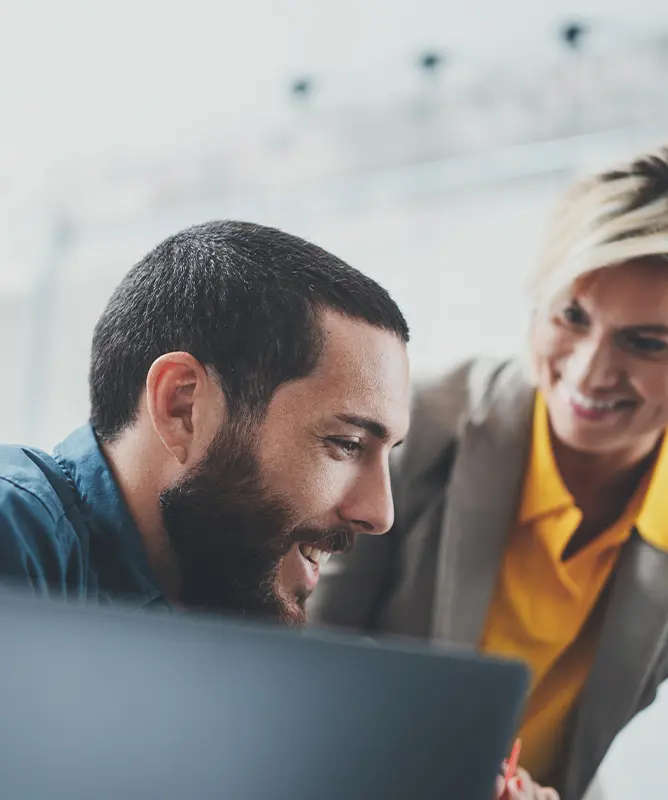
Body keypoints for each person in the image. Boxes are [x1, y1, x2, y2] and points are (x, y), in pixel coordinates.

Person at [310, 144, 668, 800]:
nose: (591, 369)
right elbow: (309, 658)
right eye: (573, 316)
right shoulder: (411, 430)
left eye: (646, 342)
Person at [0, 220, 541, 800]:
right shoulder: (15, 528)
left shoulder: (208, 612)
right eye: (347, 444)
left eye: (387, 455)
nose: (379, 513)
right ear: (184, 406)